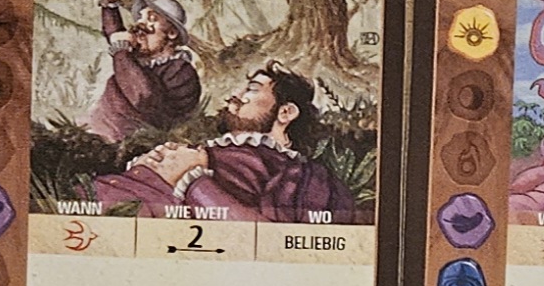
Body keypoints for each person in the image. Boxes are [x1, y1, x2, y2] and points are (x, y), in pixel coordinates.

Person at [93, 64, 358, 224]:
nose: (234, 96)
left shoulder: (299, 174)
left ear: (286, 112)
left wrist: (193, 180)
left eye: (252, 89)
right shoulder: (210, 148)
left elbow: (273, 240)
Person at [85, 0, 201, 142]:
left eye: (151, 19)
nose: (140, 24)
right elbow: (116, 34)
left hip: (130, 147)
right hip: (97, 136)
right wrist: (110, 4)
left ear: (171, 33)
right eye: (141, 17)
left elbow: (143, 98)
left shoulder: (181, 71)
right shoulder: (137, 61)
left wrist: (121, 50)